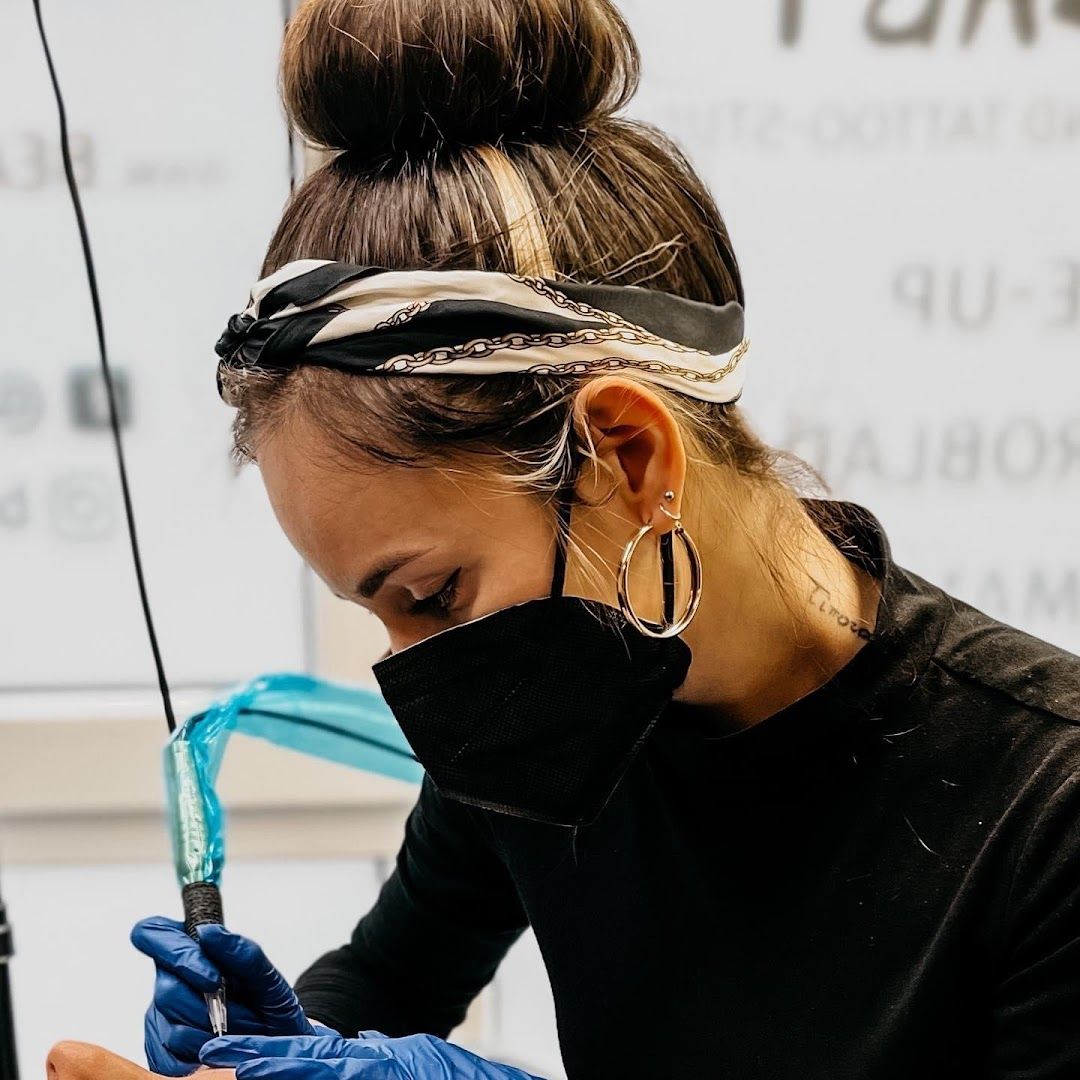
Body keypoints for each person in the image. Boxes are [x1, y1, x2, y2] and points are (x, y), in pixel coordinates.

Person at [132, 0, 1080, 1077]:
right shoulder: (548, 722)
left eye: (433, 593)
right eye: (378, 613)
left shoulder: (1047, 809)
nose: (415, 665)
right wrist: (277, 1044)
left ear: (629, 454)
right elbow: (392, 976)